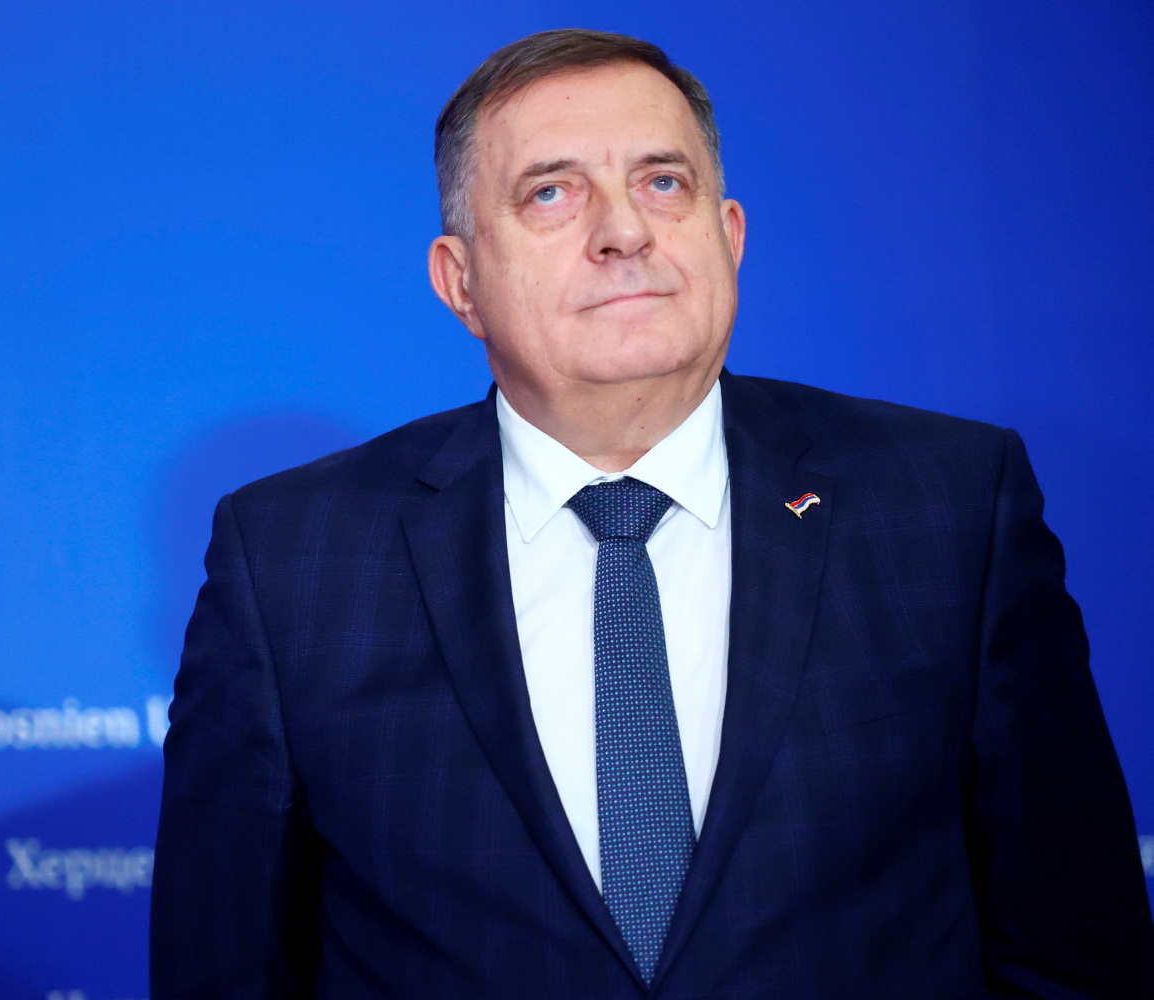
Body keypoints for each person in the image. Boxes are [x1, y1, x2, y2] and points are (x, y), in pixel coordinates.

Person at [150, 29, 1154, 998]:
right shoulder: (292, 561)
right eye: (552, 192)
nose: (625, 231)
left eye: (663, 182)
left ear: (729, 236)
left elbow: (1076, 952)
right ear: (461, 281)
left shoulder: (948, 505)